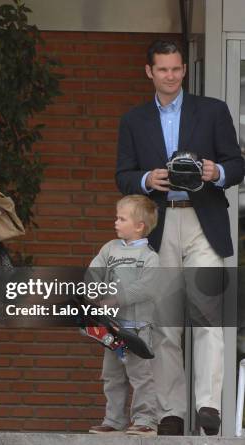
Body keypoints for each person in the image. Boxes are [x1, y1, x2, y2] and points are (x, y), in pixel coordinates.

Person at [115, 39, 245, 435]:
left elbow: (237, 164)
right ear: (149, 72)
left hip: (203, 221)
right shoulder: (134, 120)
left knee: (209, 317)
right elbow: (122, 175)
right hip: (160, 223)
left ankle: (207, 406)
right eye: (163, 70)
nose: (171, 76)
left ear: (184, 70)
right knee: (166, 324)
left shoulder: (213, 111)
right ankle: (171, 412)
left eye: (176, 69)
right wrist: (144, 179)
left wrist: (214, 172)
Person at [87, 195, 159, 437]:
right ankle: (114, 420)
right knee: (112, 375)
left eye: (122, 218)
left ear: (139, 226)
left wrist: (116, 299)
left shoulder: (150, 258)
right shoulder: (109, 248)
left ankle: (145, 421)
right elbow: (94, 272)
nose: (116, 222)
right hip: (111, 329)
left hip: (138, 328)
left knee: (141, 376)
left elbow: (147, 288)